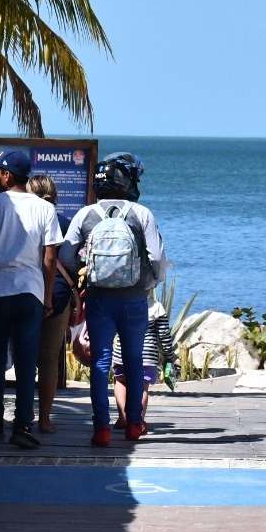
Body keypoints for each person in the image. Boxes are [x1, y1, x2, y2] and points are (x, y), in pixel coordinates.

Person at [59, 152, 168, 447]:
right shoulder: (141, 213)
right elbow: (156, 258)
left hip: (99, 300)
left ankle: (101, 429)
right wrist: (147, 283)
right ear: (128, 181)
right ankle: (134, 424)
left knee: (100, 363)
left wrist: (84, 278)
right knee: (133, 360)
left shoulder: (85, 215)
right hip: (134, 300)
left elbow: (66, 255)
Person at [0, 149, 62, 450]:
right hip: (31, 291)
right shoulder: (45, 209)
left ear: (8, 175)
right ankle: (22, 425)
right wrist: (47, 299)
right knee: (26, 361)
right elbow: (49, 259)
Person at [27, 173, 80, 434]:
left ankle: (22, 414)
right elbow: (73, 262)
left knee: (25, 356)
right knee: (48, 359)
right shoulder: (66, 223)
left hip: (27, 290)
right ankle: (45, 419)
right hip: (59, 293)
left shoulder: (24, 219)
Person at [113, 296, 175, 427]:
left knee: (121, 381)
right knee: (142, 387)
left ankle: (123, 418)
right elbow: (164, 335)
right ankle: (137, 421)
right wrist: (169, 355)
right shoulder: (156, 307)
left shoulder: (120, 303)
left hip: (122, 352)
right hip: (147, 356)